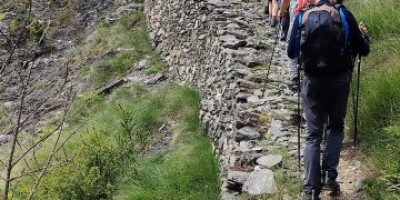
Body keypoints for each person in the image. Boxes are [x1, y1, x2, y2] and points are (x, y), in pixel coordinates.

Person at [287, 0, 370, 199]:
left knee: (313, 135)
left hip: (311, 80)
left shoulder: (302, 16)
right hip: (338, 79)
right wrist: (364, 36)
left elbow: (291, 52)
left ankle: (310, 191)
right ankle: (329, 176)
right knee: (335, 127)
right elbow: (363, 50)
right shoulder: (344, 14)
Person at [280, 0, 317, 90]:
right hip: (318, 12)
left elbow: (285, 1)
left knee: (292, 41)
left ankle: (294, 78)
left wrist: (281, 13)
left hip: (299, 10)